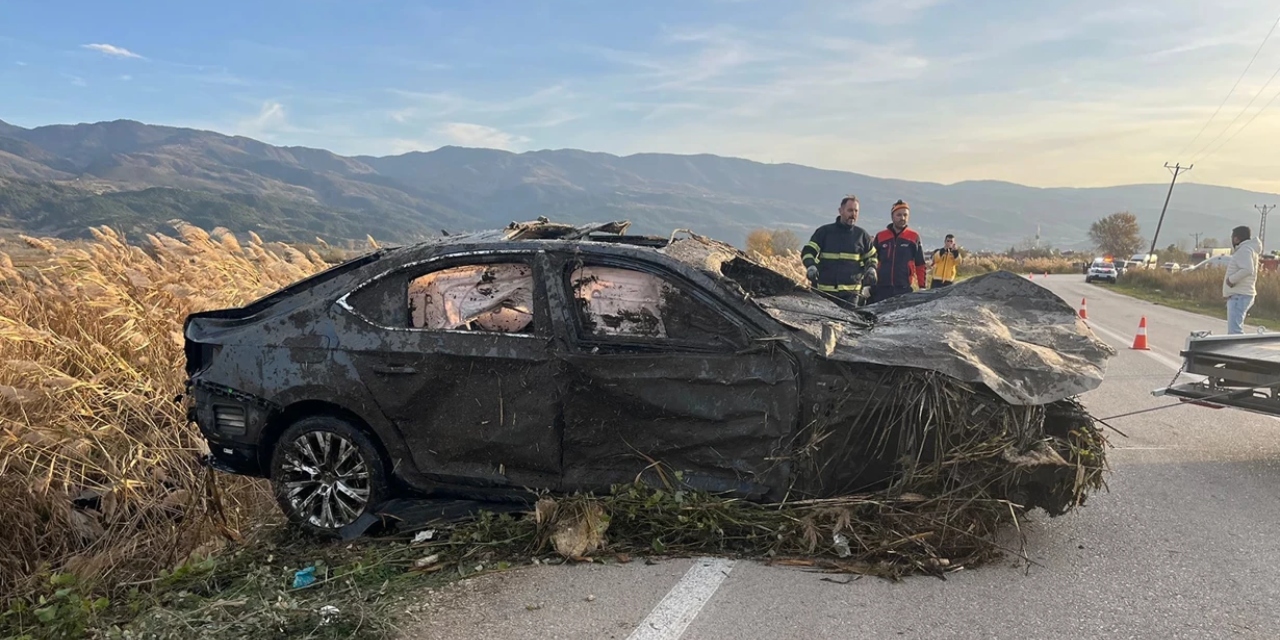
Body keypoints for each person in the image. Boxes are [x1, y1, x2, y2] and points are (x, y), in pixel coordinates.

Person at [801, 195, 879, 304]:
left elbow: (872, 257)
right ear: (840, 211)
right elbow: (808, 252)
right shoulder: (824, 232)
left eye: (856, 211)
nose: (853, 214)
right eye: (850, 210)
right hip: (824, 293)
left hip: (851, 296)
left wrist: (872, 269)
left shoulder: (862, 236)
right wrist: (811, 266)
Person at [867, 199, 926, 303]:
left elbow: (920, 264)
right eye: (899, 215)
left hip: (903, 289)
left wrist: (922, 287)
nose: (902, 218)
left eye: (905, 215)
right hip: (881, 289)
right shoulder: (881, 236)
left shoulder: (913, 237)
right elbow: (872, 261)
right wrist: (868, 285)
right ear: (892, 216)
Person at [1223, 225, 1260, 334]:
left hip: (1239, 296)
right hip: (1241, 295)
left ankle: (1237, 351)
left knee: (1235, 332)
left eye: (1232, 237)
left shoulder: (1244, 250)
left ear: (1236, 239)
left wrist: (1231, 280)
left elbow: (1248, 269)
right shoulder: (1249, 249)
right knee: (1235, 330)